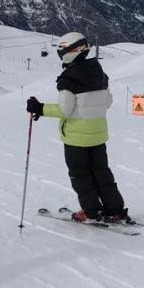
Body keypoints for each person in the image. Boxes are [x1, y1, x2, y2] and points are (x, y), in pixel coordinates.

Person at [26, 32, 130, 224]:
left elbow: (65, 110)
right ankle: (115, 210)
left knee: (81, 175)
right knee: (102, 173)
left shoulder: (69, 78)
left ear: (69, 52)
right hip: (98, 136)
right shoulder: (99, 73)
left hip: (76, 139)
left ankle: (91, 212)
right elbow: (107, 102)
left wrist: (39, 108)